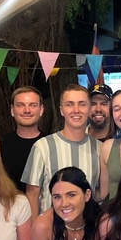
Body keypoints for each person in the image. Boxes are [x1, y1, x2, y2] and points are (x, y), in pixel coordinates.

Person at [23, 84, 101, 217]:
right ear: (61, 110)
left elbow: (99, 193)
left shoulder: (100, 148)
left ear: (89, 109)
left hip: (88, 231)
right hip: (51, 231)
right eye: (70, 104)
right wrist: (35, 232)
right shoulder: (42, 147)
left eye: (82, 104)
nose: (76, 110)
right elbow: (32, 195)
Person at [1, 86, 46, 194]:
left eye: (32, 105)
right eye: (20, 105)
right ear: (12, 110)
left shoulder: (51, 144)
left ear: (41, 110)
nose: (27, 110)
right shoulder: (0, 145)